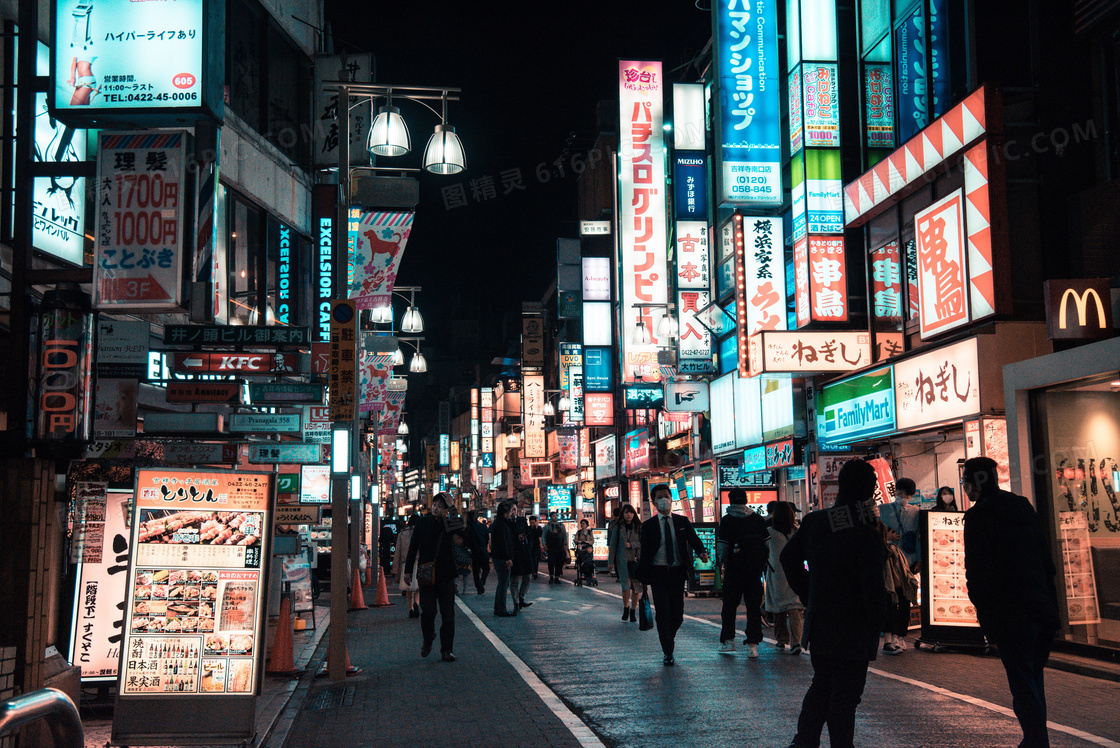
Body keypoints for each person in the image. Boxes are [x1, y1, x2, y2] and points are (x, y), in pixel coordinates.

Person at [780, 460, 887, 748]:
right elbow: (872, 584)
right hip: (855, 623)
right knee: (846, 693)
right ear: (865, 488)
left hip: (822, 619)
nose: (875, 487)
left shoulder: (816, 521)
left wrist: (809, 592)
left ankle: (804, 741)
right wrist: (881, 618)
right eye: (873, 482)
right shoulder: (868, 531)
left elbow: (788, 559)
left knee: (823, 684)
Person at [963, 457, 1059, 748]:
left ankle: (1036, 741)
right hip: (1041, 607)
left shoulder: (979, 517)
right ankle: (1035, 739)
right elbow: (1047, 562)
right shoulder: (1023, 507)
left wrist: (986, 616)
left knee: (1022, 682)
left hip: (1008, 612)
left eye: (966, 482)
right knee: (1032, 678)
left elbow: (979, 573)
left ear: (974, 483)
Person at [637, 483, 709, 666]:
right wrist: (641, 577)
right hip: (658, 573)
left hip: (677, 572)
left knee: (677, 613)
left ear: (671, 499)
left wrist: (701, 551)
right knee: (662, 612)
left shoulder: (681, 522)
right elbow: (644, 553)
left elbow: (693, 538)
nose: (664, 500)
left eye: (666, 497)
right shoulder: (648, 526)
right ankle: (668, 650)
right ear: (654, 502)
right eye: (659, 497)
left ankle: (669, 635)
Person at [403, 493, 464, 662]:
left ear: (445, 510)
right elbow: (413, 547)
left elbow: (460, 528)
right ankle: (428, 638)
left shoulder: (448, 523)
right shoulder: (422, 522)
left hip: (446, 574)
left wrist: (453, 507)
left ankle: (447, 650)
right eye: (434, 504)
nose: (436, 508)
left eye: (440, 506)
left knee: (448, 614)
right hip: (426, 574)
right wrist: (407, 570)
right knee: (428, 612)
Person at [715, 487, 769, 657]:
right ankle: (752, 645)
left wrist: (725, 564)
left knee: (729, 606)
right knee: (753, 607)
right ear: (746, 500)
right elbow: (767, 545)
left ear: (730, 501)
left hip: (734, 570)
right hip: (754, 572)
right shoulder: (757, 519)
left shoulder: (727, 521)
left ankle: (728, 641)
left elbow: (723, 548)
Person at [765, 501, 804, 655]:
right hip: (795, 573)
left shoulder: (769, 532)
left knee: (778, 607)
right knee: (795, 608)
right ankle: (797, 642)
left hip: (777, 574)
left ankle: (781, 639)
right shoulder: (797, 532)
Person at [880, 521, 918, 655]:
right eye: (891, 532)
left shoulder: (896, 549)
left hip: (900, 583)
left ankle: (898, 638)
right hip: (890, 583)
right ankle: (890, 641)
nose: (894, 535)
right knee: (890, 610)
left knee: (901, 608)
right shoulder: (884, 548)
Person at [607, 503, 642, 622]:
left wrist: (632, 545)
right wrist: (610, 561)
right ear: (623, 514)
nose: (629, 515)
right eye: (627, 513)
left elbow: (644, 543)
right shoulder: (618, 527)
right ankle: (626, 608)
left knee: (636, 586)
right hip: (622, 560)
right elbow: (613, 545)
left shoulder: (638, 526)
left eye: (631, 513)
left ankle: (633, 611)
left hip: (636, 560)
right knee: (625, 585)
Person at [880, 477, 922, 573]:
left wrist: (919, 560)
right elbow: (873, 532)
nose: (903, 497)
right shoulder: (882, 509)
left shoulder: (915, 512)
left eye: (907, 496)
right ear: (895, 491)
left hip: (908, 560)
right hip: (887, 559)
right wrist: (885, 535)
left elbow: (918, 538)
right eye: (901, 493)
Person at [489, 501, 518, 616]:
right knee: (503, 584)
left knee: (502, 584)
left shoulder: (500, 523)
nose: (512, 513)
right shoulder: (501, 525)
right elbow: (503, 543)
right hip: (502, 558)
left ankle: (499, 608)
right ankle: (501, 609)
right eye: (511, 511)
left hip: (499, 557)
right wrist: (507, 558)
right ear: (505, 512)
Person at [393, 514, 419, 618]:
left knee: (408, 588)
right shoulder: (420, 532)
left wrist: (395, 569)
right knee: (417, 587)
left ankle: (411, 609)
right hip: (418, 561)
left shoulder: (402, 534)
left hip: (405, 563)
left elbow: (397, 552)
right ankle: (417, 603)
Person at [510, 505, 535, 610]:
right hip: (513, 553)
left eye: (515, 510)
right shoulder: (506, 522)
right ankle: (516, 602)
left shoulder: (522, 520)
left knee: (527, 577)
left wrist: (524, 536)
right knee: (514, 579)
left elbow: (528, 533)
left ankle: (521, 597)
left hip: (524, 552)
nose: (513, 512)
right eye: (511, 510)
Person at [467, 510, 490, 595]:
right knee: (486, 568)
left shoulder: (469, 527)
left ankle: (479, 586)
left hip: (474, 552)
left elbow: (467, 540)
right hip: (483, 550)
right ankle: (482, 582)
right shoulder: (483, 527)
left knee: (476, 571)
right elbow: (487, 539)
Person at [544, 512, 569, 583]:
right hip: (551, 547)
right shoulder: (547, 526)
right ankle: (551, 576)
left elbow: (564, 535)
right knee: (551, 562)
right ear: (551, 517)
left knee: (559, 562)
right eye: (553, 516)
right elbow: (544, 536)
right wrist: (544, 545)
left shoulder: (561, 525)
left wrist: (565, 545)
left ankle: (557, 577)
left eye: (556, 515)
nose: (555, 517)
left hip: (560, 547)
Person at [528, 514, 543, 579]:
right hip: (529, 546)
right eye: (531, 523)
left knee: (535, 560)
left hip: (536, 546)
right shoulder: (528, 529)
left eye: (533, 523)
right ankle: (532, 571)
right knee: (530, 560)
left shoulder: (539, 528)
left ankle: (535, 572)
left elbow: (540, 537)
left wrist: (541, 545)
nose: (532, 524)